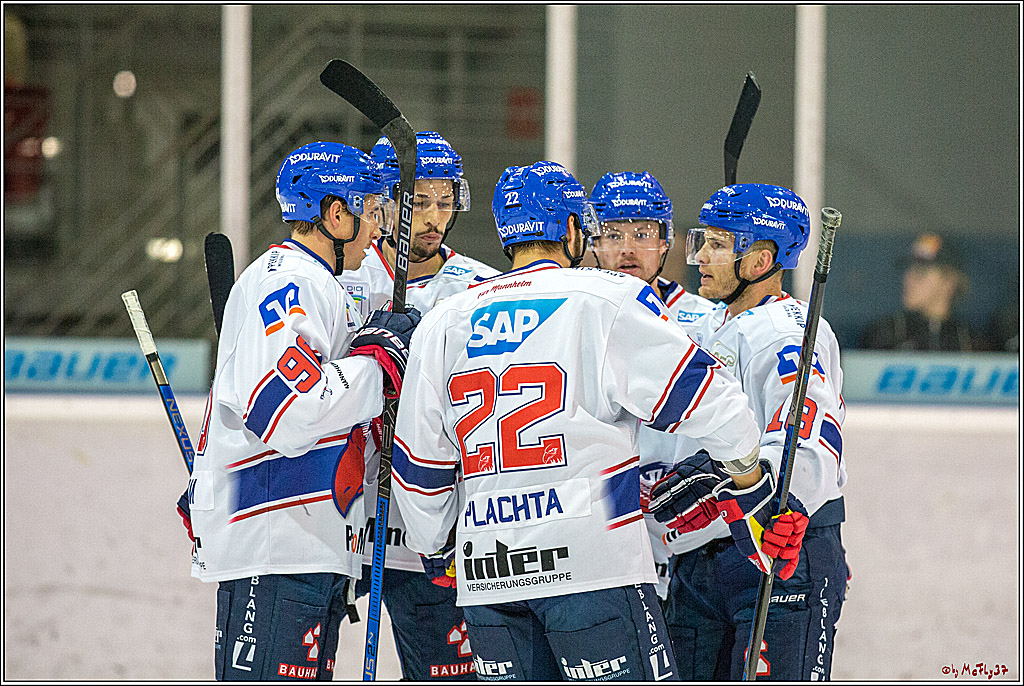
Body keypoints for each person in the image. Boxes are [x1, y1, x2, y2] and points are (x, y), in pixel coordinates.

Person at [390, 161, 795, 681]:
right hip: (592, 567)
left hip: (487, 575)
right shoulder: (603, 298)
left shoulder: (445, 320)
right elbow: (714, 401)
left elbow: (418, 466)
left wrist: (438, 547)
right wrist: (748, 480)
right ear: (571, 230)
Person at [177, 141, 421, 680]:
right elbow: (285, 410)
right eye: (371, 213)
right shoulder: (289, 281)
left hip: (302, 542)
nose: (378, 231)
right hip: (276, 548)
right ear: (336, 214)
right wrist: (378, 362)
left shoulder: (312, 282)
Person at [649, 183, 848, 681]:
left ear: (759, 261)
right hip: (702, 559)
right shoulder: (717, 324)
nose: (700, 258)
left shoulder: (785, 331)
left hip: (776, 549)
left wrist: (785, 499)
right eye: (703, 242)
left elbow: (812, 431)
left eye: (718, 245)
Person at [337, 130, 497, 681]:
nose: (432, 217)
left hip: (439, 524)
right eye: (418, 202)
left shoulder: (482, 288)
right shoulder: (340, 276)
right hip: (347, 516)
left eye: (444, 203)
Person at [588, 170, 716, 598]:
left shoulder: (709, 323)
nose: (627, 248)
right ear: (592, 240)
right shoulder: (572, 316)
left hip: (690, 541)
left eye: (642, 233)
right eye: (613, 233)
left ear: (667, 241)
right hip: (599, 536)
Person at [860, 232, 974, 350]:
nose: (907, 279)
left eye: (921, 272)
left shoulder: (967, 339)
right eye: (907, 270)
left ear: (949, 281)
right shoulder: (886, 334)